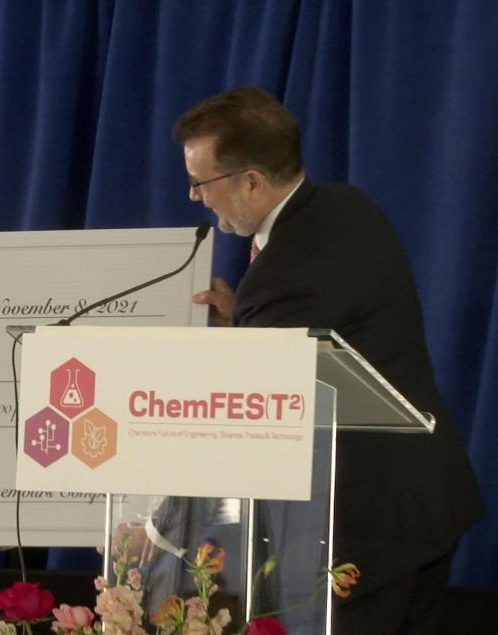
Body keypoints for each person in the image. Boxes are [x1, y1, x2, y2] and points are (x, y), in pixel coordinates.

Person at [178, 86, 481, 633]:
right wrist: (244, 324)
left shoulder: (284, 274)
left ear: (251, 180)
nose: (196, 196)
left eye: (201, 182)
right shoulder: (343, 206)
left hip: (363, 534)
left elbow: (263, 406)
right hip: (422, 500)